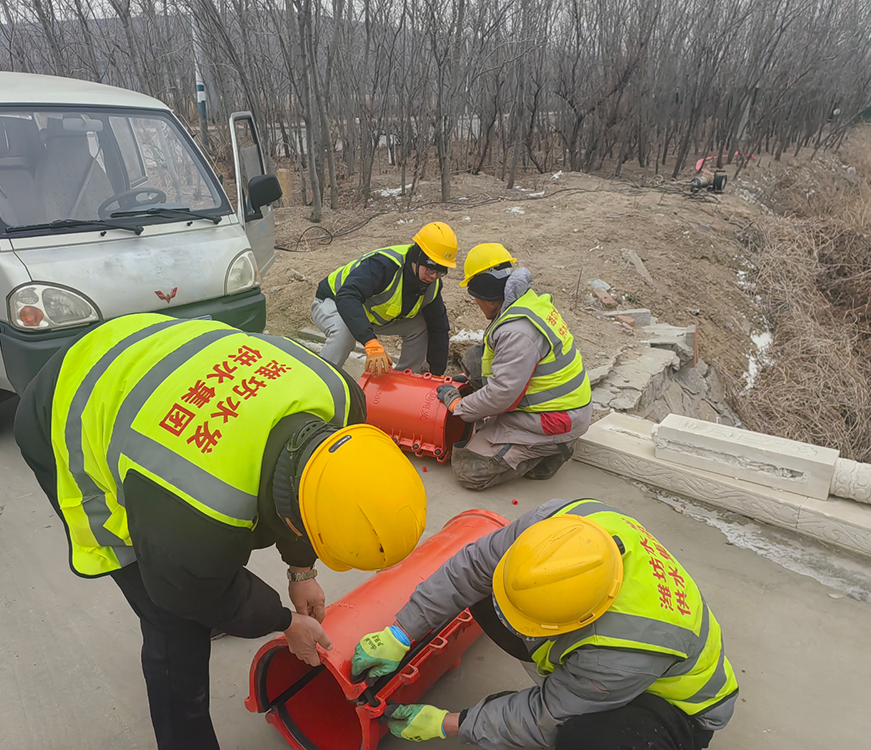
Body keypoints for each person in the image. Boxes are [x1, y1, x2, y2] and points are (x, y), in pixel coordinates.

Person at [14, 313, 427, 750]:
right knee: (172, 620)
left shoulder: (340, 396)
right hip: (65, 403)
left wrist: (301, 570)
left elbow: (312, 481)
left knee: (201, 579)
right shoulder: (192, 509)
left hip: (146, 347)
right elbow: (185, 585)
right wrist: (284, 622)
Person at [351, 498, 738, 750]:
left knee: (585, 737)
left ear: (582, 621)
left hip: (676, 706)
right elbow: (471, 568)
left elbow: (547, 716)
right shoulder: (562, 525)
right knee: (485, 588)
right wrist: (400, 632)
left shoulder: (619, 653)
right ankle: (571, 676)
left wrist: (450, 723)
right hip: (612, 658)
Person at [435, 244, 592, 491]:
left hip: (554, 419)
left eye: (474, 295)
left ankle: (548, 452)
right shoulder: (526, 303)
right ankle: (533, 442)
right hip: (560, 404)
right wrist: (468, 379)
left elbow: (502, 395)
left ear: (486, 294)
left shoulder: (517, 332)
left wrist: (458, 406)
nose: (476, 302)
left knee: (469, 469)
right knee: (477, 357)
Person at [311, 221, 457, 377]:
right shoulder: (384, 265)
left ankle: (403, 381)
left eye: (439, 273)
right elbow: (347, 296)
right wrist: (370, 342)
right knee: (344, 334)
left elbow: (439, 328)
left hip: (368, 317)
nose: (433, 276)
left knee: (420, 327)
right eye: (430, 270)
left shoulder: (432, 286)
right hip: (333, 303)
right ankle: (322, 381)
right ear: (417, 259)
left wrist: (437, 374)